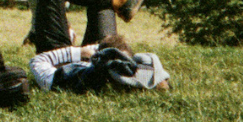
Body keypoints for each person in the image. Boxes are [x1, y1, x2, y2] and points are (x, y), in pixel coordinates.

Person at [29, 33, 170, 93]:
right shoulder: (139, 69)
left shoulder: (57, 79)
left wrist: (79, 52)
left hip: (72, 68)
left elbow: (36, 60)